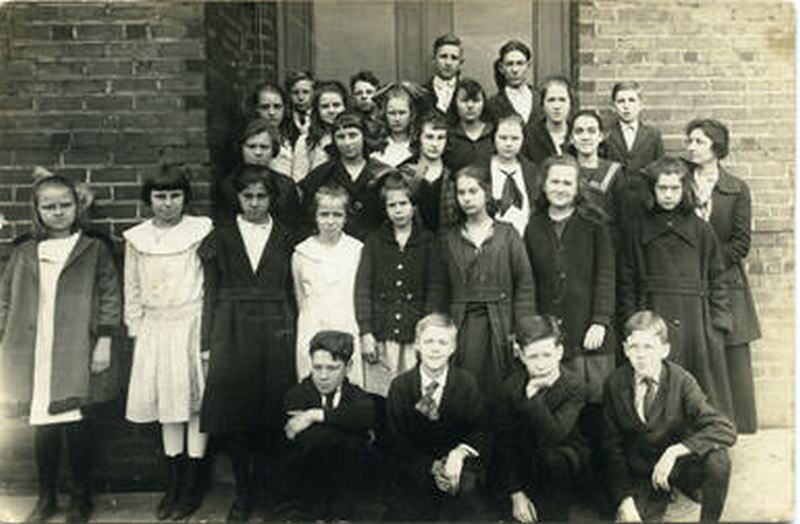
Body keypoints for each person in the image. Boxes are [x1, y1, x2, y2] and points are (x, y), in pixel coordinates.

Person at [0, 174, 121, 523]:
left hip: (75, 347)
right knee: (43, 424)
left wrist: (105, 340)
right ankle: (47, 496)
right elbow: (5, 296)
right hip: (35, 348)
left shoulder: (93, 248)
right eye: (49, 206)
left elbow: (110, 296)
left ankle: (81, 497)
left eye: (65, 205)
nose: (58, 212)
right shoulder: (25, 250)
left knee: (75, 421)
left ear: (77, 206)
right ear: (37, 210)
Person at [199, 168, 297, 522]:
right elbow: (210, 292)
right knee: (236, 415)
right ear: (237, 198)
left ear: (271, 199)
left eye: (261, 197)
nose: (255, 203)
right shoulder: (221, 236)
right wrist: (207, 340)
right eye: (248, 196)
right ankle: (243, 493)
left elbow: (294, 289)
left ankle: (269, 493)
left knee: (273, 412)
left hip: (276, 327)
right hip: (232, 326)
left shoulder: (286, 235)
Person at [124, 165, 212, 520]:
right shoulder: (138, 239)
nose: (168, 203)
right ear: (149, 200)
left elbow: (210, 282)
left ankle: (193, 483)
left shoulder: (200, 230)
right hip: (156, 327)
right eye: (160, 196)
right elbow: (132, 287)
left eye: (175, 196)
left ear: (185, 198)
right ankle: (174, 482)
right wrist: (137, 329)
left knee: (195, 403)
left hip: (192, 323)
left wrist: (208, 332)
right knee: (168, 405)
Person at [618, 156, 735, 419]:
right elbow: (627, 280)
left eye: (674, 188)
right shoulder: (636, 229)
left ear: (684, 190)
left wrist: (718, 323)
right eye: (662, 188)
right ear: (653, 190)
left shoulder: (702, 230)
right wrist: (632, 321)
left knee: (700, 385)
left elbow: (717, 278)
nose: (668, 195)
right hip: (653, 312)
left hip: (696, 320)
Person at [603, 311, 736, 522]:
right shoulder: (615, 383)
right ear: (625, 349)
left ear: (664, 350)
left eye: (649, 347)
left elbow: (724, 429)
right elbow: (611, 446)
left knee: (718, 460)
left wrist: (674, 452)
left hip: (678, 468)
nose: (641, 355)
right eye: (634, 347)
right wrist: (624, 499)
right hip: (640, 472)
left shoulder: (681, 380)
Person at [426, 165, 536, 405]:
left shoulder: (507, 234)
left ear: (486, 192)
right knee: (463, 387)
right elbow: (438, 289)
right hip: (462, 324)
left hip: (500, 322)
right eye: (461, 192)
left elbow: (524, 285)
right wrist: (434, 329)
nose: (466, 198)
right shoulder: (448, 238)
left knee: (500, 389)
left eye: (473, 191)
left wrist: (523, 331)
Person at [685, 118, 761, 433]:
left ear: (716, 148)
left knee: (731, 351)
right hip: (688, 281)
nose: (691, 147)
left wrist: (710, 263)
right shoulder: (679, 183)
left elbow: (741, 243)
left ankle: (736, 426)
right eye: (690, 141)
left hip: (727, 282)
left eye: (699, 142)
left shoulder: (736, 188)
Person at [523, 155, 615, 407]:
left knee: (593, 400)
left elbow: (606, 275)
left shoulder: (594, 224)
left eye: (567, 183)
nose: (560, 189)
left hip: (587, 328)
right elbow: (529, 280)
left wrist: (600, 320)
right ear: (544, 185)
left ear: (577, 188)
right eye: (555, 182)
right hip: (550, 331)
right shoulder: (534, 226)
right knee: (556, 403)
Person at [385, 313, 488, 520]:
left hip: (456, 466)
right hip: (414, 466)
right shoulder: (401, 386)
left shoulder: (466, 383)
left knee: (466, 497)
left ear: (453, 348)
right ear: (417, 345)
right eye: (429, 341)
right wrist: (431, 467)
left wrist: (458, 455)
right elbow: (395, 438)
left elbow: (479, 429)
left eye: (442, 342)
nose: (435, 349)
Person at [495, 315, 590, 522]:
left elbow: (554, 436)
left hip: (563, 460)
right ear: (521, 355)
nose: (540, 365)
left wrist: (532, 397)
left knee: (552, 459)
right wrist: (516, 494)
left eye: (547, 355)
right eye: (533, 357)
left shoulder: (574, 385)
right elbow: (505, 443)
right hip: (524, 462)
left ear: (559, 352)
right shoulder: (510, 388)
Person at [278, 330, 378, 521]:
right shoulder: (297, 394)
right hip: (308, 489)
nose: (323, 376)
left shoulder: (356, 395)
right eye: (317, 367)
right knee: (341, 445)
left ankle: (341, 517)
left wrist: (315, 415)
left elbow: (367, 415)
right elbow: (313, 441)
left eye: (332, 368)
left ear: (348, 367)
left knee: (350, 451)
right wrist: (349, 426)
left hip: (346, 489)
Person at [355, 172, 435, 396]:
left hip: (415, 335)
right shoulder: (374, 241)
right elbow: (363, 288)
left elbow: (435, 291)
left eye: (403, 203)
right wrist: (366, 332)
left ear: (414, 206)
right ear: (385, 209)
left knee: (416, 394)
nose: (398, 210)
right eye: (392, 205)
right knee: (382, 395)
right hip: (382, 333)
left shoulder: (429, 242)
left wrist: (426, 335)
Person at [292, 184, 364, 386]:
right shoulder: (302, 252)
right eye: (324, 214)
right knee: (314, 380)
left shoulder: (356, 250)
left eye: (337, 215)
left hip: (346, 323)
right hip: (312, 326)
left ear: (346, 217)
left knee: (347, 382)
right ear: (315, 216)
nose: (330, 221)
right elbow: (299, 297)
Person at [300, 111, 389, 241]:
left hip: (374, 244)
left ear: (364, 136)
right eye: (341, 137)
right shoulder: (321, 175)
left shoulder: (383, 173)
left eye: (353, 135)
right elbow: (306, 218)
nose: (347, 143)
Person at [568, 109, 628, 244]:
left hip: (607, 243)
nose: (585, 137)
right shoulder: (565, 170)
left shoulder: (614, 172)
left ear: (600, 136)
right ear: (571, 138)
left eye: (591, 131)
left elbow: (623, 219)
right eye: (579, 131)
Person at [231, 120, 301, 229]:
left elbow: (293, 226)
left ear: (273, 150)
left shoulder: (286, 186)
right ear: (241, 148)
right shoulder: (228, 185)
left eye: (264, 147)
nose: (258, 153)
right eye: (252, 147)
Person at [483, 113, 540, 236]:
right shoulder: (482, 169)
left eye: (515, 138)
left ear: (523, 139)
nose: (508, 144)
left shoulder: (532, 171)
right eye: (503, 138)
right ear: (494, 138)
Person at [401, 111, 456, 231]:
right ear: (419, 138)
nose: (435, 144)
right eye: (429, 137)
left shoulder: (454, 173)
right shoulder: (405, 171)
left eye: (440, 138)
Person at [604, 81, 664, 178]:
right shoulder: (607, 135)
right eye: (621, 101)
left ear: (640, 105)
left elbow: (660, 169)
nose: (626, 106)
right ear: (614, 106)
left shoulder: (653, 135)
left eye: (631, 100)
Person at [293, 80, 349, 183]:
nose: (331, 110)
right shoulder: (305, 141)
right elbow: (299, 179)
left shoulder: (354, 137)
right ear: (317, 110)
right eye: (325, 106)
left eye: (336, 105)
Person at [444, 78, 495, 173]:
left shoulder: (494, 133)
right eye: (464, 100)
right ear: (455, 103)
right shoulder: (448, 135)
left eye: (476, 101)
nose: (470, 105)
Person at [522, 75, 573, 166]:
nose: (557, 106)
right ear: (542, 105)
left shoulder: (577, 132)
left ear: (570, 104)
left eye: (562, 100)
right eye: (551, 100)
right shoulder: (530, 136)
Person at [250, 82, 296, 179]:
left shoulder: (292, 137)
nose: (272, 112)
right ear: (256, 109)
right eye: (265, 107)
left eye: (277, 107)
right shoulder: (249, 139)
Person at [487, 40, 537, 124]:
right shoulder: (492, 104)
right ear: (501, 68)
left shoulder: (540, 99)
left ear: (528, 66)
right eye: (509, 64)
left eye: (520, 63)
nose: (515, 70)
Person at [371, 84, 415, 167]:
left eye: (402, 113)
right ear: (384, 114)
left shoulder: (418, 146)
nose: (397, 118)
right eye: (392, 113)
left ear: (411, 114)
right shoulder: (376, 147)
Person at [421, 34, 464, 115]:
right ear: (434, 59)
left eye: (454, 58)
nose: (448, 63)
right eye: (443, 56)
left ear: (460, 63)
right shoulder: (421, 93)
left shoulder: (466, 91)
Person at [284, 70, 315, 143]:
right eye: (295, 93)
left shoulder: (319, 118)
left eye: (305, 92)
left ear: (313, 94)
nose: (300, 97)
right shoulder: (285, 119)